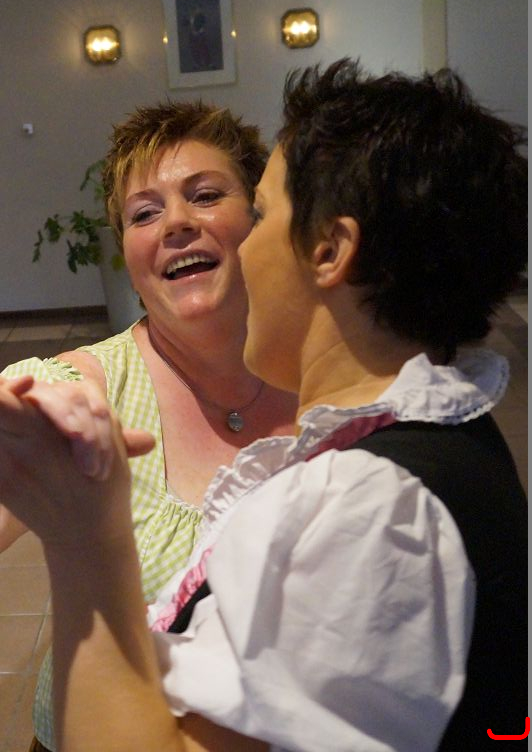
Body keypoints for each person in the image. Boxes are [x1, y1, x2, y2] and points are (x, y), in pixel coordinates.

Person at [0, 59, 527, 752]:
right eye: (144, 212)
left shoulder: (369, 507)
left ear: (329, 249)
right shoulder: (422, 440)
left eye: (263, 212)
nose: (189, 229)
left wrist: (85, 542)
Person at [0, 100, 296, 752]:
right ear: (130, 259)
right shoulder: (85, 388)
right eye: (144, 213)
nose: (177, 223)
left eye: (205, 195)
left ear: (260, 221)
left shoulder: (327, 386)